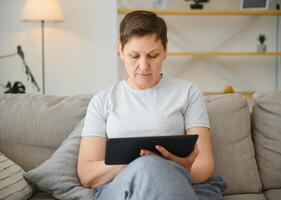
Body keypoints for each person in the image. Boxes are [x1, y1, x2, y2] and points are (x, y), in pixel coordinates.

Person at [77, 10, 226, 200]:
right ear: (121, 50)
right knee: (150, 169)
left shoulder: (188, 92)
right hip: (121, 188)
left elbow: (204, 164)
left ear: (165, 50)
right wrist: (143, 165)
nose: (144, 65)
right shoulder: (102, 101)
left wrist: (170, 169)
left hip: (176, 184)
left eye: (153, 55)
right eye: (134, 56)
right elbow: (87, 174)